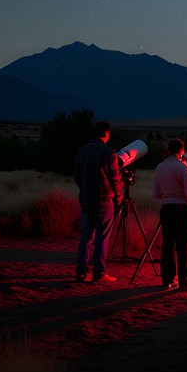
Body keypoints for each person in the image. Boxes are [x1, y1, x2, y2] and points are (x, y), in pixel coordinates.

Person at [74, 120, 124, 283]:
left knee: (86, 235)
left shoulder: (81, 151)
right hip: (104, 200)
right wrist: (119, 197)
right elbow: (115, 179)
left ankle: (81, 271)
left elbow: (77, 177)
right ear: (107, 133)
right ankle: (99, 273)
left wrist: (85, 188)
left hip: (86, 199)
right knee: (102, 236)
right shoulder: (109, 153)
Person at [152, 137, 187, 291]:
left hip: (166, 209)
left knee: (168, 245)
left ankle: (167, 280)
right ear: (182, 150)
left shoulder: (160, 167)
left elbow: (157, 193)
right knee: (183, 247)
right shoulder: (183, 168)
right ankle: (184, 281)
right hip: (183, 210)